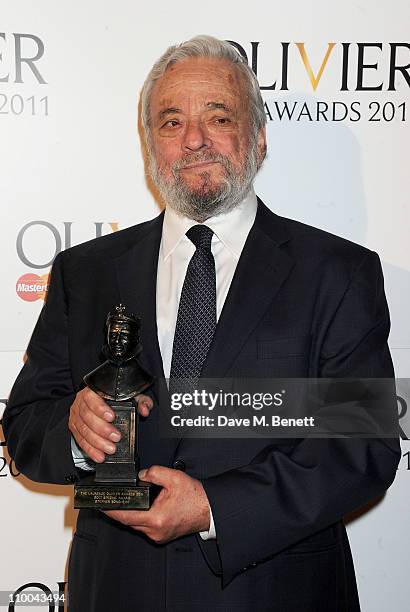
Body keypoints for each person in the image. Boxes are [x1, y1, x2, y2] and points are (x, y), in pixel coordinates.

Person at [3, 35, 400, 611]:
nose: (194, 139)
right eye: (171, 122)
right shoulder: (83, 272)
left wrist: (217, 508)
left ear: (259, 138)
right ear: (149, 147)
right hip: (116, 590)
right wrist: (75, 431)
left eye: (219, 116)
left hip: (276, 592)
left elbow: (362, 447)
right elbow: (25, 427)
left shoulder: (338, 272)